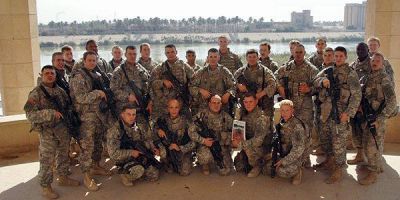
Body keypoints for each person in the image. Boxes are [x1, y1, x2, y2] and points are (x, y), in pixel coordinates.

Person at [24, 65, 80, 199]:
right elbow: (30, 114)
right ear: (42, 75)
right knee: (47, 160)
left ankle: (63, 177)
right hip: (47, 132)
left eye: (52, 74)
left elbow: (68, 108)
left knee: (63, 155)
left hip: (63, 130)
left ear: (55, 76)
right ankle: (46, 187)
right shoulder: (36, 93)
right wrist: (50, 113)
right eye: (47, 73)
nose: (50, 75)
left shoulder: (60, 91)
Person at [313, 46, 361, 184]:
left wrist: (348, 113)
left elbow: (357, 96)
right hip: (326, 112)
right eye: (336, 56)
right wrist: (323, 81)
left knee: (338, 143)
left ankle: (339, 169)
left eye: (341, 56)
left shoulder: (350, 73)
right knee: (326, 139)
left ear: (345, 57)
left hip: (340, 114)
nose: (338, 58)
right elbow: (315, 80)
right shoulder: (328, 70)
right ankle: (329, 161)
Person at [70, 51, 112, 191]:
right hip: (86, 118)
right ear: (84, 60)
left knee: (98, 144)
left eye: (94, 60)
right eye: (90, 60)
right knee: (87, 147)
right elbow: (80, 98)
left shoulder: (95, 74)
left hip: (99, 116)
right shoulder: (79, 76)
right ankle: (87, 176)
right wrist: (97, 93)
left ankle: (95, 166)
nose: (92, 63)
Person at [275, 44, 318, 168]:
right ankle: (290, 156)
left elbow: (319, 86)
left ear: (304, 53)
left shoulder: (312, 69)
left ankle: (306, 158)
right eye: (296, 52)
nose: (298, 54)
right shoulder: (286, 67)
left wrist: (309, 89)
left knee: (306, 132)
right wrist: (280, 87)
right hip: (289, 108)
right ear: (292, 53)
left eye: (300, 52)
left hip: (305, 108)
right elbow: (274, 77)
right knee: (288, 132)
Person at [357, 53, 397, 185]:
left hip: (377, 118)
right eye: (373, 60)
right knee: (366, 142)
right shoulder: (369, 76)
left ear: (382, 63)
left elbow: (392, 101)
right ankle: (373, 166)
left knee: (373, 145)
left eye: (377, 61)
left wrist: (380, 119)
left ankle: (373, 172)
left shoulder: (384, 78)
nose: (374, 62)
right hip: (367, 116)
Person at [106, 105, 159, 186]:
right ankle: (125, 175)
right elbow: (113, 154)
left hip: (138, 154)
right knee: (138, 171)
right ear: (122, 115)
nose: (132, 117)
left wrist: (153, 148)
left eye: (133, 114)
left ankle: (137, 167)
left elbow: (147, 138)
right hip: (124, 159)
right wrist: (131, 152)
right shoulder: (114, 131)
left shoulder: (138, 126)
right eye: (128, 114)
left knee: (153, 175)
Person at [189, 95, 233, 176]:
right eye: (213, 103)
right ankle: (205, 164)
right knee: (204, 156)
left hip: (221, 145)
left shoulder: (227, 117)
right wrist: (203, 140)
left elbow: (234, 134)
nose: (216, 105)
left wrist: (224, 137)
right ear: (209, 104)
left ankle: (219, 161)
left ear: (221, 104)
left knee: (225, 172)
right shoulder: (201, 115)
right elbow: (191, 132)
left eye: (218, 103)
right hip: (205, 145)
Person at [110, 45, 152, 130]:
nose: (132, 56)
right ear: (125, 55)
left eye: (134, 54)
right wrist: (127, 96)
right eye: (130, 54)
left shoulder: (141, 69)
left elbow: (149, 85)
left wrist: (150, 101)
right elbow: (113, 89)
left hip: (140, 108)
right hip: (125, 109)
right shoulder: (119, 71)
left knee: (144, 132)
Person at [265, 100, 306, 185]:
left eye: (287, 110)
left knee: (282, 171)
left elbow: (299, 149)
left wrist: (284, 161)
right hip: (286, 151)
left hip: (298, 153)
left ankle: (298, 171)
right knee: (268, 168)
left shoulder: (297, 126)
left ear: (292, 111)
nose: (284, 113)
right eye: (282, 110)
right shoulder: (281, 122)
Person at [150, 44, 195, 120]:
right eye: (168, 52)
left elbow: (194, 80)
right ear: (165, 54)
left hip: (182, 102)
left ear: (176, 52)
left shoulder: (184, 66)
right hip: (165, 104)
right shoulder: (160, 68)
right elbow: (152, 84)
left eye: (172, 52)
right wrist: (162, 82)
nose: (170, 54)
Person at [153, 99, 196, 176]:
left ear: (179, 108)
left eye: (176, 107)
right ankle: (167, 162)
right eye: (171, 107)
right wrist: (158, 130)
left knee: (184, 172)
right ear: (168, 108)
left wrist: (180, 148)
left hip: (183, 149)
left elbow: (194, 141)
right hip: (168, 148)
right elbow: (153, 130)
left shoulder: (186, 121)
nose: (174, 110)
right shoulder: (162, 120)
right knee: (163, 153)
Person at [232, 93, 269, 178]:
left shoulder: (262, 118)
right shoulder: (245, 114)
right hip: (249, 144)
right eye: (245, 102)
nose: (248, 104)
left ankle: (258, 164)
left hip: (261, 146)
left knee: (250, 151)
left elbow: (258, 140)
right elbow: (239, 129)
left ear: (256, 101)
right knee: (239, 166)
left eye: (250, 102)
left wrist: (240, 144)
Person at [190, 48, 235, 115]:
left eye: (215, 57)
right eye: (211, 57)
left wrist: (228, 93)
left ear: (218, 58)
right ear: (207, 58)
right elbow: (191, 86)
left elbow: (233, 86)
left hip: (221, 108)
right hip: (204, 107)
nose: (213, 59)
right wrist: (200, 90)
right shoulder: (201, 72)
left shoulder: (224, 71)